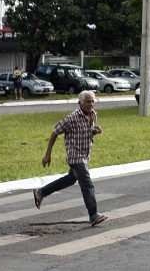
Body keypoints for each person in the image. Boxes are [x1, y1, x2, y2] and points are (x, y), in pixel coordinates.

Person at [33, 90, 107, 226]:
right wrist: (47, 154)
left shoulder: (93, 115)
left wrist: (94, 132)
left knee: (70, 179)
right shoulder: (72, 118)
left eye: (92, 101)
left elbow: (85, 132)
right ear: (80, 103)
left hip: (85, 155)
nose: (90, 104)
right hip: (75, 156)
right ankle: (93, 215)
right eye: (87, 101)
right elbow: (55, 132)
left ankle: (41, 192)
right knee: (87, 184)